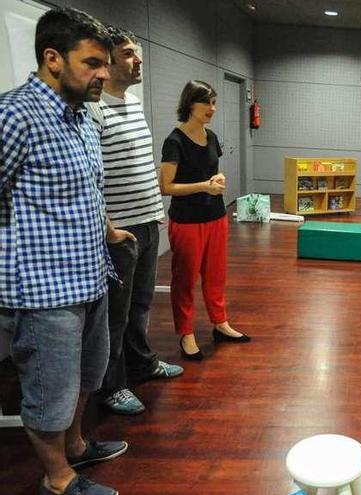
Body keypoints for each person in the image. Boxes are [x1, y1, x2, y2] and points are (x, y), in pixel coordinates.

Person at [0, 8, 129, 495]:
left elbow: (86, 192)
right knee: (49, 394)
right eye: (93, 62)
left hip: (90, 275)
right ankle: (57, 479)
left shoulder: (81, 116)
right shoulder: (14, 115)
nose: (104, 74)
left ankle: (76, 446)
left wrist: (110, 231)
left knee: (87, 375)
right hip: (43, 289)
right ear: (52, 58)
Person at [86, 25, 183, 416]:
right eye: (128, 53)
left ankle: (141, 363)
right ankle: (112, 386)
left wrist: (155, 212)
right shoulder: (94, 110)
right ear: (107, 62)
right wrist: (109, 226)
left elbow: (141, 165)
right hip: (119, 230)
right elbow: (91, 175)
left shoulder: (133, 102)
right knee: (116, 313)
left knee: (141, 305)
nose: (138, 60)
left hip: (145, 222)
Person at [159, 80, 250, 361]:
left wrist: (218, 180)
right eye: (207, 103)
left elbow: (214, 171)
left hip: (216, 216)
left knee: (215, 276)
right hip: (186, 222)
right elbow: (166, 186)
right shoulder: (174, 141)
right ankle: (186, 333)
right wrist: (203, 186)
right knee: (185, 279)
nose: (212, 108)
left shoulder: (211, 137)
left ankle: (219, 323)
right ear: (190, 104)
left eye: (214, 103)